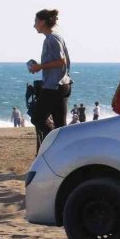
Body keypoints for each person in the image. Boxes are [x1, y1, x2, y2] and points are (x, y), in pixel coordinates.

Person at [28, 8, 72, 151]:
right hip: (62, 84)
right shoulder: (54, 37)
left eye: (36, 22)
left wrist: (40, 66)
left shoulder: (52, 39)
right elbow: (60, 62)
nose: (34, 25)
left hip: (54, 86)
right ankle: (64, 151)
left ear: (42, 22)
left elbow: (61, 61)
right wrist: (40, 67)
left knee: (37, 118)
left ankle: (55, 143)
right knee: (60, 124)